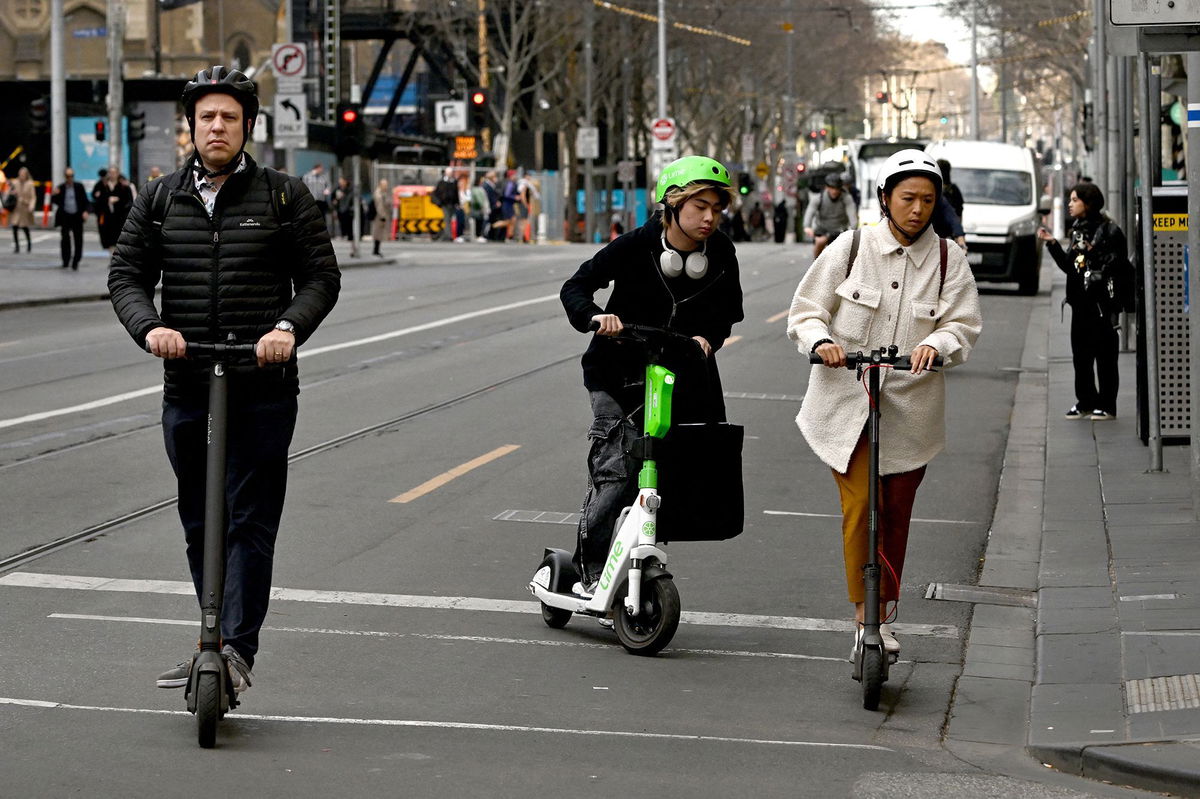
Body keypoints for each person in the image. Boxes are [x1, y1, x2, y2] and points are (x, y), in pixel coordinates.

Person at [107, 65, 341, 695]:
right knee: (198, 517)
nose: (217, 126)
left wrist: (287, 329)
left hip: (261, 384)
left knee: (250, 520)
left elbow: (321, 279)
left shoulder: (285, 196)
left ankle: (234, 649)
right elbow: (125, 275)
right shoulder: (159, 200)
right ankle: (211, 630)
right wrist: (150, 328)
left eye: (229, 118)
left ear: (247, 128)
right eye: (207, 117)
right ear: (191, 127)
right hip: (188, 380)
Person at [786, 149, 981, 659]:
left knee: (894, 512)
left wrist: (936, 345)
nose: (918, 209)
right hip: (844, 407)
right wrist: (819, 341)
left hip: (909, 414)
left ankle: (886, 612)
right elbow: (806, 312)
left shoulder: (948, 261)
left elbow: (962, 326)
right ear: (885, 199)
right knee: (861, 508)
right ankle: (863, 616)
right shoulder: (850, 248)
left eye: (928, 200)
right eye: (908, 198)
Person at [560, 154, 744, 595]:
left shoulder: (720, 253)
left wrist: (708, 338)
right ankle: (590, 572)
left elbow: (728, 313)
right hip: (616, 374)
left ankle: (637, 558)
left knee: (676, 468)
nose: (709, 217)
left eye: (717, 208)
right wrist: (597, 318)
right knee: (619, 470)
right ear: (673, 204)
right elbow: (576, 287)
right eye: (700, 206)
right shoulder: (635, 246)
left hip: (680, 375)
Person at [1037, 183, 1134, 420]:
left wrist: (1092, 252)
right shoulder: (1078, 229)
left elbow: (1117, 264)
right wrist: (1052, 243)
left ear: (1088, 203)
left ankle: (1107, 405)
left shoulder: (1110, 231)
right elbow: (1071, 267)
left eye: (1074, 200)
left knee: (1105, 357)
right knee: (1081, 357)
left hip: (1102, 305)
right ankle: (1086, 401)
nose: (1069, 204)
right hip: (1080, 304)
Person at [803, 172, 858, 259]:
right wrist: (807, 226)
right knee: (820, 242)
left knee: (842, 253)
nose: (834, 191)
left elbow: (852, 214)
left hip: (839, 230)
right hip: (822, 229)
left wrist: (853, 228)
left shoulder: (847, 198)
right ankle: (817, 265)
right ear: (827, 187)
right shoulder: (818, 198)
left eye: (837, 188)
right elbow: (810, 211)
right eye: (832, 188)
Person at [52, 167, 91, 269]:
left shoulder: (79, 187)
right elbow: (55, 201)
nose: (70, 178)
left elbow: (85, 201)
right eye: (68, 176)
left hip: (77, 216)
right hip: (65, 216)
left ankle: (76, 261)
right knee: (65, 238)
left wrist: (86, 212)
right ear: (65, 177)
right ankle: (66, 260)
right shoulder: (61, 188)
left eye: (71, 176)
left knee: (78, 239)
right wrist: (54, 194)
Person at [92, 166, 133, 250]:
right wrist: (106, 199)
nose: (112, 175)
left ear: (117, 174)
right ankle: (111, 256)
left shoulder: (123, 186)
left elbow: (129, 200)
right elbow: (96, 197)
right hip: (106, 216)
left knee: (118, 239)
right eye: (110, 173)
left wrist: (118, 200)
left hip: (119, 216)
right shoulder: (102, 184)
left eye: (114, 173)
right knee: (107, 239)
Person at [8, 166, 37, 253]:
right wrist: (12, 193)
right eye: (20, 174)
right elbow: (9, 193)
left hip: (25, 208)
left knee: (25, 227)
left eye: (23, 174)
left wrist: (31, 206)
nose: (21, 176)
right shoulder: (15, 182)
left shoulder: (30, 184)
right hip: (16, 208)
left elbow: (33, 197)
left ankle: (29, 244)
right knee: (15, 227)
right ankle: (17, 246)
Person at [432, 168, 460, 241]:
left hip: (452, 204)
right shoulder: (441, 182)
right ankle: (449, 236)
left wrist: (458, 203)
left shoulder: (454, 182)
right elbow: (437, 193)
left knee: (450, 219)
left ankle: (447, 234)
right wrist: (439, 202)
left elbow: (456, 193)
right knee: (447, 219)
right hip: (444, 204)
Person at [302, 163, 332, 231]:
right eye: (321, 168)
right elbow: (303, 187)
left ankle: (322, 229)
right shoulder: (307, 176)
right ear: (317, 168)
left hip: (321, 199)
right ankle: (312, 229)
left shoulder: (324, 176)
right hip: (311, 199)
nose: (322, 170)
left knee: (322, 215)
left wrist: (327, 190)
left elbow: (329, 185)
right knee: (312, 215)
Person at [371, 177, 391, 255]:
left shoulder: (383, 193)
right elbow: (379, 206)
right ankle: (376, 250)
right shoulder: (379, 194)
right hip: (379, 217)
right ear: (381, 185)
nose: (386, 186)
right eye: (384, 185)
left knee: (379, 233)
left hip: (381, 216)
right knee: (378, 233)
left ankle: (377, 250)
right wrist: (382, 216)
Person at [334, 176, 354, 241]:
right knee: (341, 222)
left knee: (349, 222)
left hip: (348, 208)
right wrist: (335, 200)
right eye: (340, 182)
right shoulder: (338, 189)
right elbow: (334, 197)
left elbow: (352, 198)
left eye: (342, 182)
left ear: (345, 182)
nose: (340, 183)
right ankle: (343, 234)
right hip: (340, 208)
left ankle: (349, 236)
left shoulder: (349, 189)